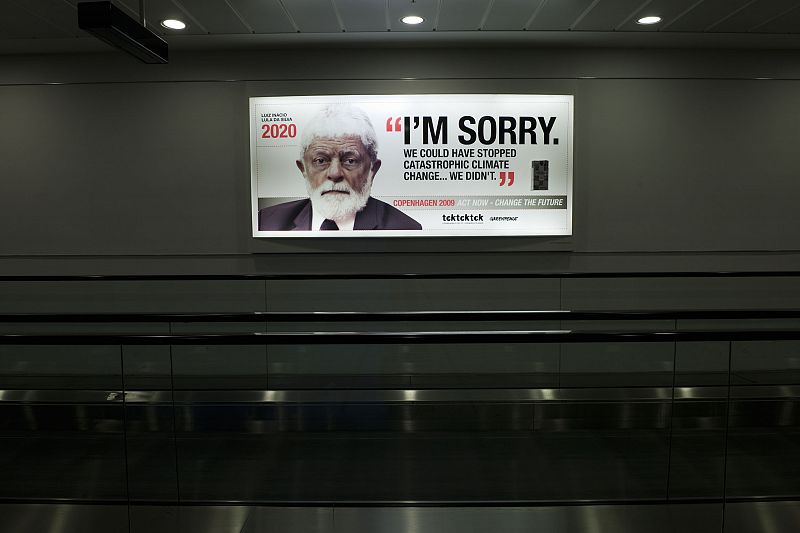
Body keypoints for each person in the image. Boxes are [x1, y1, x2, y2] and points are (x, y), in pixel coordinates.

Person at [258, 104, 422, 231]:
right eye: (321, 160)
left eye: (350, 160)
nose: (335, 174)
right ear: (303, 169)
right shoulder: (266, 222)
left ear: (373, 170)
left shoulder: (404, 228)